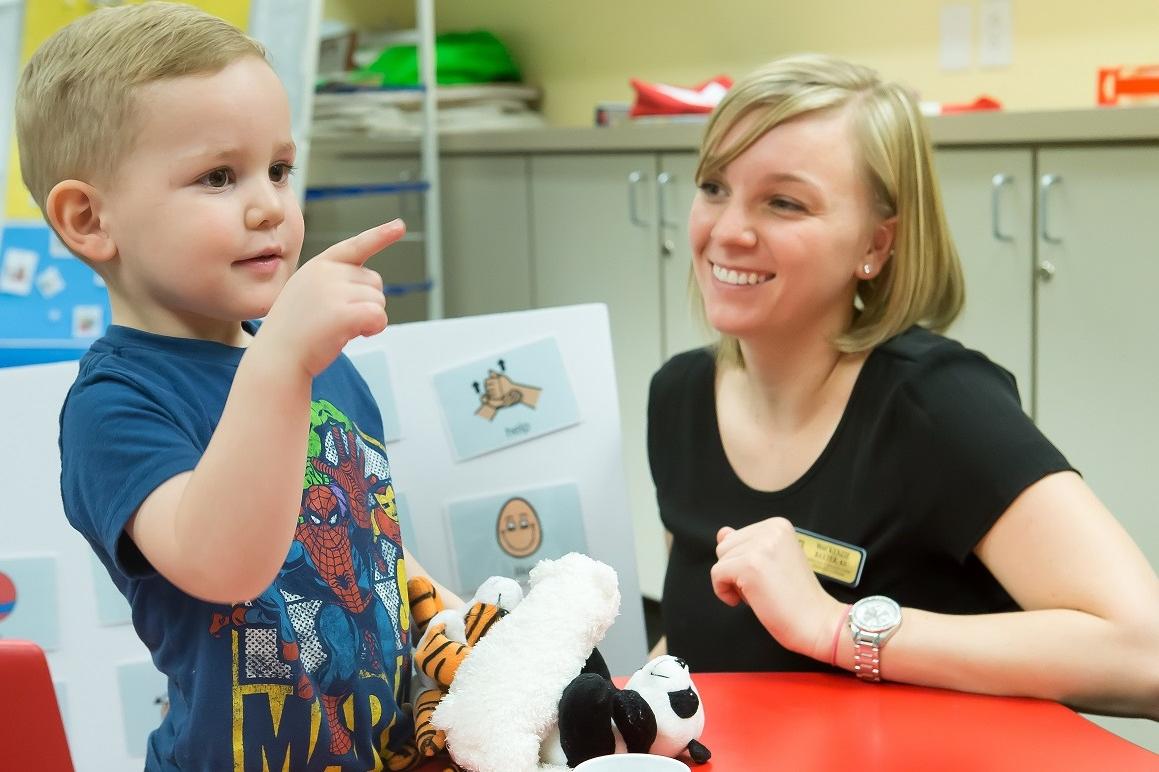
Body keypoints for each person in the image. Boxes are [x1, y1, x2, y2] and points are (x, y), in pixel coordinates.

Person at [647, 54, 1159, 720]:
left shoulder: (938, 404)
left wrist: (836, 629)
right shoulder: (679, 396)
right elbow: (702, 637)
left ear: (876, 246)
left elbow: (1144, 652)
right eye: (714, 186)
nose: (727, 231)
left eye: (783, 202)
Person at [16, 4, 459, 768]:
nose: (270, 206)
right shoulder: (114, 406)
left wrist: (473, 630)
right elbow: (222, 563)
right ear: (88, 219)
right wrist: (282, 359)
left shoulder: (321, 366)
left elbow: (377, 553)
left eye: (279, 169)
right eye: (219, 177)